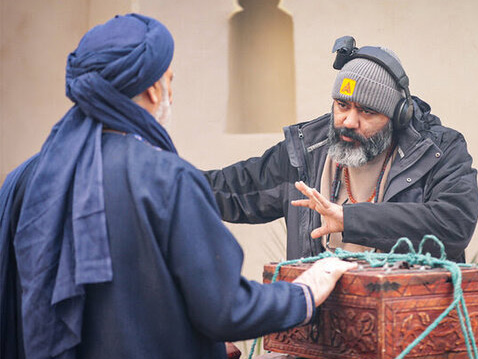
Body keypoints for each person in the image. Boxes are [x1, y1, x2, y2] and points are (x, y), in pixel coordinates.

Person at [0, 14, 356, 359]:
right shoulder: (167, 179)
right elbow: (226, 308)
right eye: (170, 79)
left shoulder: (26, 177)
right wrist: (306, 291)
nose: (172, 91)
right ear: (155, 90)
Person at [204, 36, 478, 262]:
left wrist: (350, 219)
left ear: (397, 117)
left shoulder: (440, 152)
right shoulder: (306, 150)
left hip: (411, 322)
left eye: (367, 111)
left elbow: (453, 224)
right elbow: (235, 190)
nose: (348, 121)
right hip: (321, 323)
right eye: (342, 105)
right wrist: (169, 180)